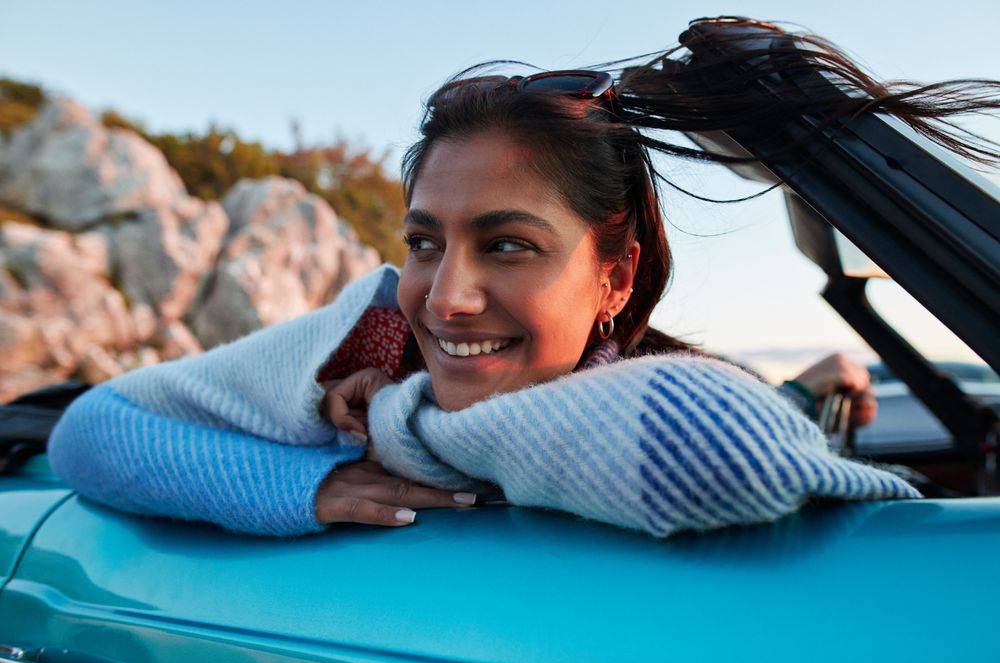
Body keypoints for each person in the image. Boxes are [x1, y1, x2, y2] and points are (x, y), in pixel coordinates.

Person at [48, 18, 999, 538]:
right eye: (426, 242)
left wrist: (814, 387)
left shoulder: (619, 397)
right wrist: (311, 484)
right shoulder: (366, 349)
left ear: (616, 277)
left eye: (507, 245)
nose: (447, 295)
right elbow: (90, 432)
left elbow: (707, 427)